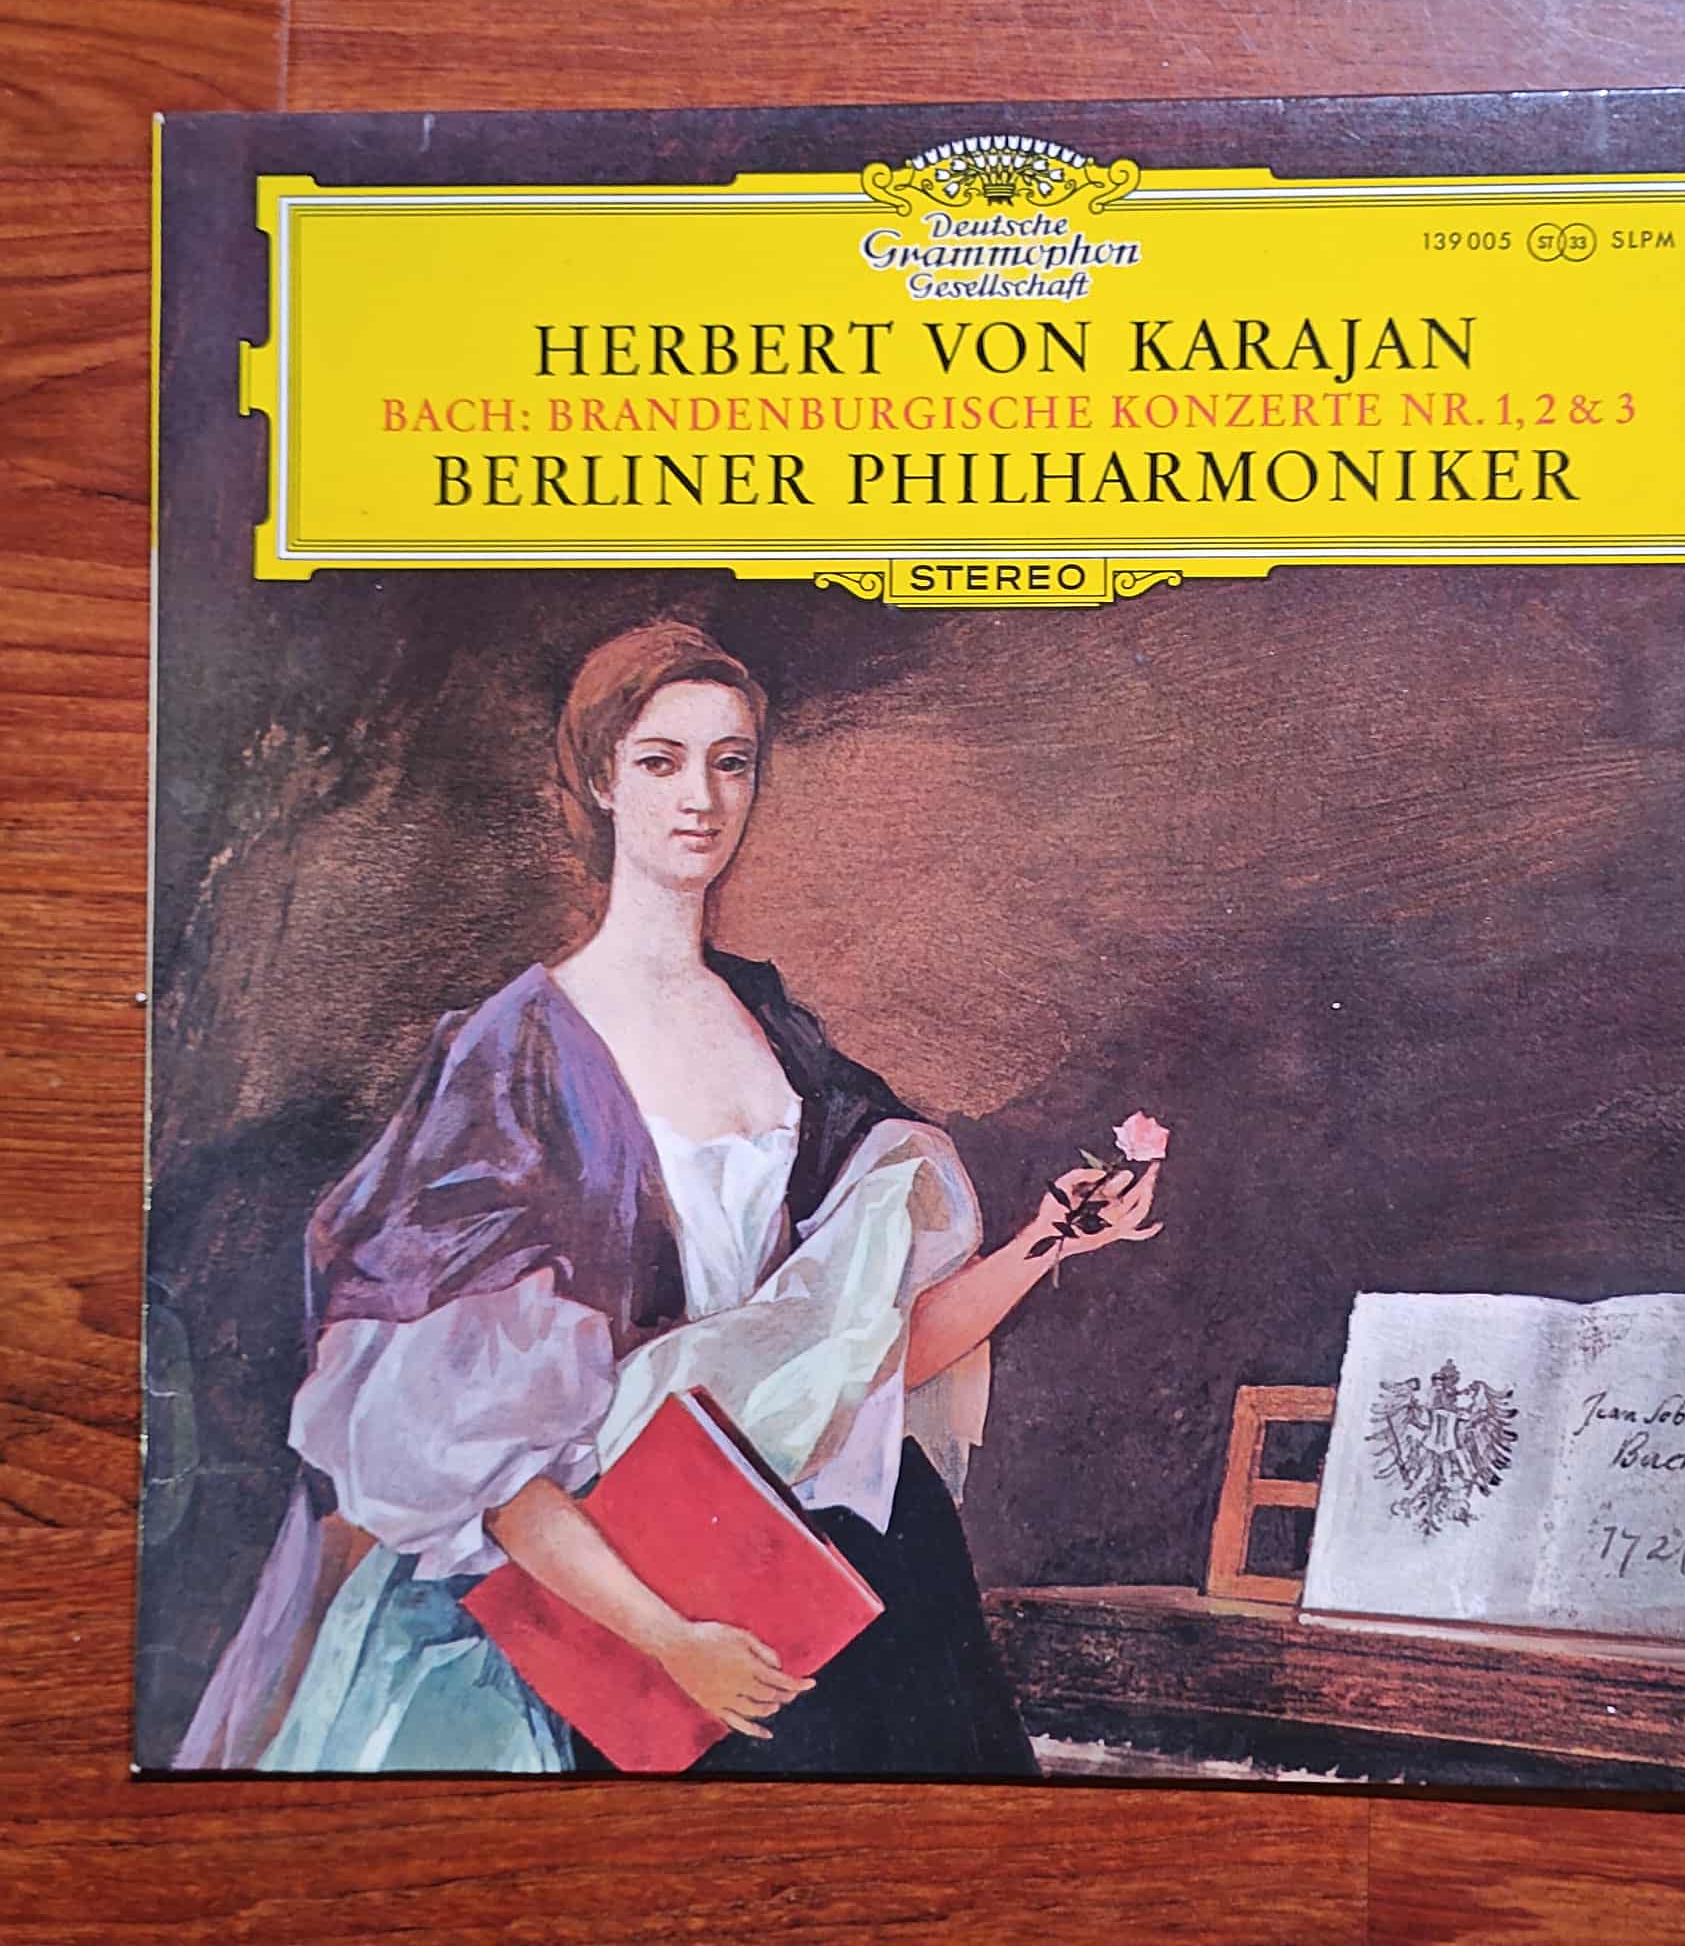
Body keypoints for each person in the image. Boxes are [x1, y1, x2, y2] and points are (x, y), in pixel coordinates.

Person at [175, 620, 1161, 1775]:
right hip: (628, 1595)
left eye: (729, 761)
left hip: (811, 1569)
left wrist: (1048, 1237)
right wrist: (667, 1636)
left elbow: (856, 1361)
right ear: (600, 778)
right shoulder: (518, 1057)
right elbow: (481, 1450)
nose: (701, 796)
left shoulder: (778, 1034)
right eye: (660, 760)